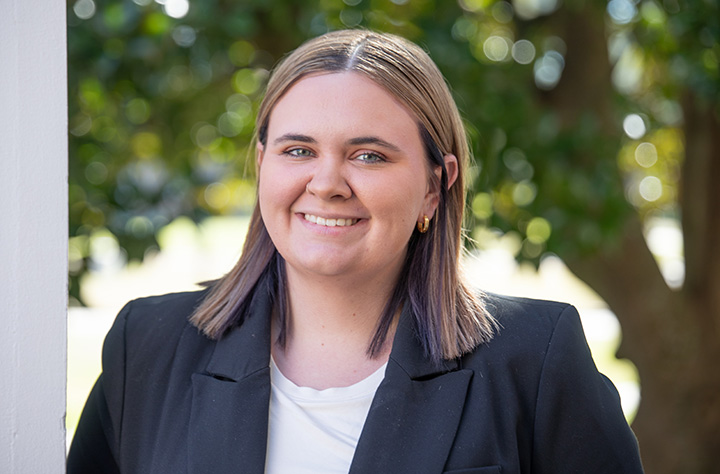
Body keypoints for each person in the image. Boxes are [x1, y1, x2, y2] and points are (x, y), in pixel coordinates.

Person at [67, 29, 644, 473]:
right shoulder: (144, 345)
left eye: (369, 155)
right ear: (262, 161)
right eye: (298, 150)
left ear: (434, 185)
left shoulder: (535, 360)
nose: (327, 183)